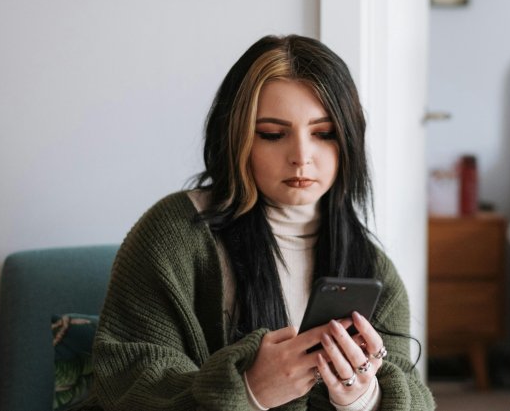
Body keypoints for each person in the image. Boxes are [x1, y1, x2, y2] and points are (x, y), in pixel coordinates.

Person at [77, 35, 435, 410]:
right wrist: (249, 391)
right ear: (237, 137)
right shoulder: (175, 234)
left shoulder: (373, 269)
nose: (301, 156)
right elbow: (131, 385)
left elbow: (416, 399)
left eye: (323, 133)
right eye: (272, 134)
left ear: (347, 141)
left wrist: (363, 398)